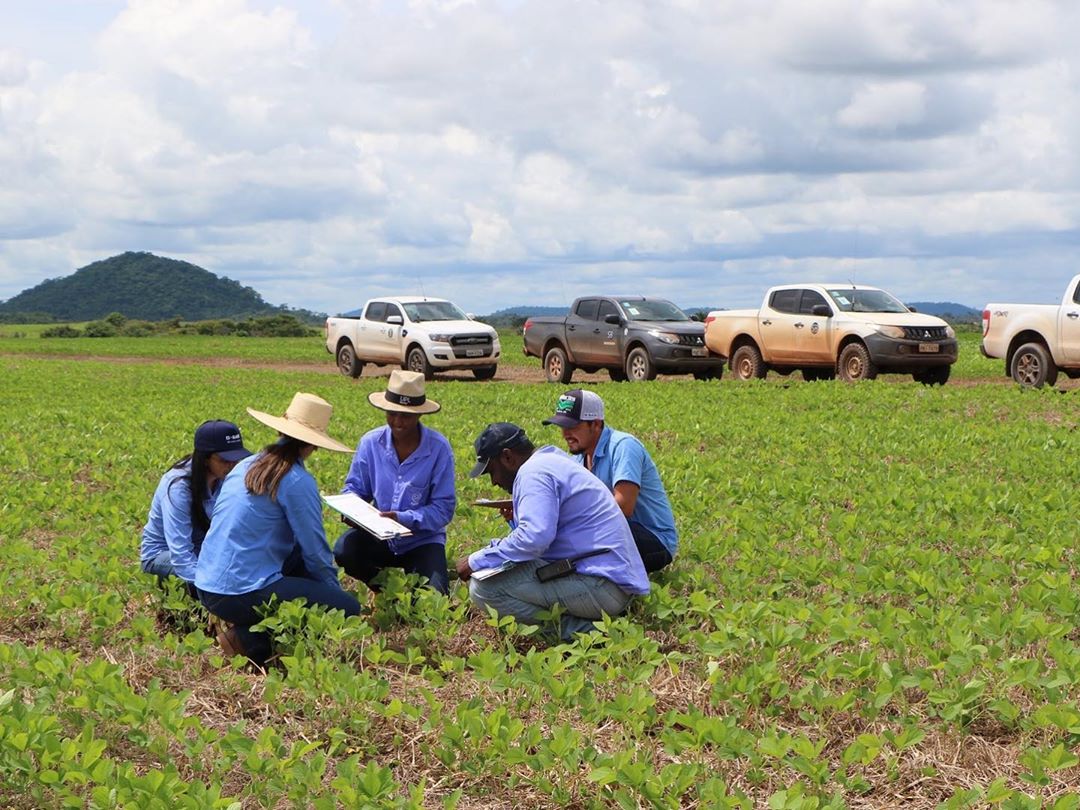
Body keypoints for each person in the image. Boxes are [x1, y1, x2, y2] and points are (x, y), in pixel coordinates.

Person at [195, 392, 361, 666]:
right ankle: (245, 640)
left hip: (207, 585)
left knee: (299, 569)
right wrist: (336, 594)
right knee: (348, 608)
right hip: (240, 593)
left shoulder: (245, 465)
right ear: (313, 446)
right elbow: (316, 552)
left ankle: (248, 635)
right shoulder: (296, 480)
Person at [455, 422, 648, 640]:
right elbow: (545, 537)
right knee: (504, 565)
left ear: (508, 457)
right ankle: (596, 626)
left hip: (602, 587)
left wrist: (475, 560)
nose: (494, 481)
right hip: (613, 582)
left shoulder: (532, 473)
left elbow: (534, 539)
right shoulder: (551, 460)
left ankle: (588, 633)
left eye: (492, 471)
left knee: (483, 589)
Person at [334, 370, 456, 595]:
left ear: (419, 414)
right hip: (379, 537)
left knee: (434, 603)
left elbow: (443, 509)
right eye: (392, 413)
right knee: (344, 550)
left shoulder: (439, 449)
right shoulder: (371, 443)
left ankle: (412, 588)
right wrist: (351, 508)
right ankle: (386, 589)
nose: (398, 421)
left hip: (422, 540)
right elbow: (355, 488)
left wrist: (403, 518)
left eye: (406, 415)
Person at [543, 389, 677, 573]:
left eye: (573, 426)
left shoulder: (624, 446)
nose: (565, 434)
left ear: (596, 424)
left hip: (653, 540)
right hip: (616, 533)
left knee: (581, 537)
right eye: (563, 427)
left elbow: (623, 507)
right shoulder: (577, 461)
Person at [140, 420, 251, 590]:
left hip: (203, 552)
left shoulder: (225, 478)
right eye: (225, 460)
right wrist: (212, 589)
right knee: (220, 582)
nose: (232, 466)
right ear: (205, 458)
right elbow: (180, 552)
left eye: (236, 460)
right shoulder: (178, 486)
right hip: (163, 554)